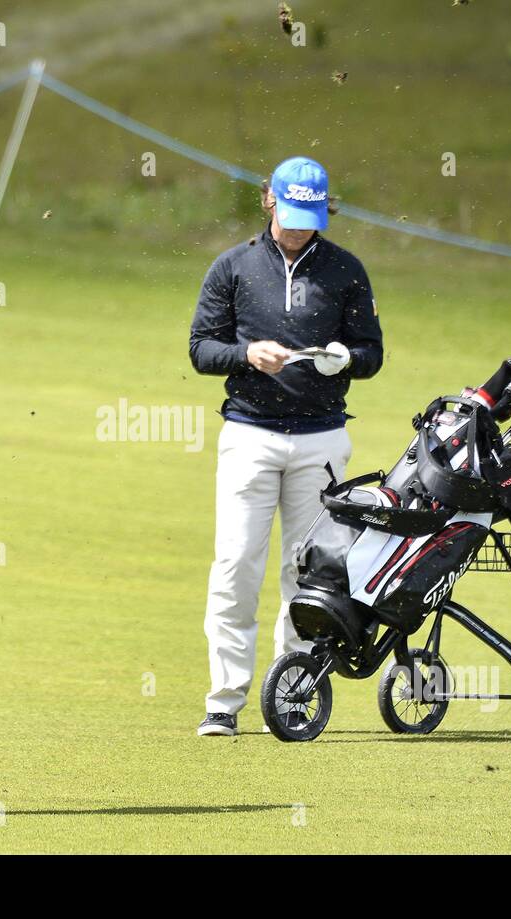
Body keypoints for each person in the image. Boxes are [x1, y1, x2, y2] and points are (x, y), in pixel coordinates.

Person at [188, 156, 384, 736]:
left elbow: (371, 352)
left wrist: (346, 358)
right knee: (235, 565)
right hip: (249, 434)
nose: (299, 228)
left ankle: (294, 689)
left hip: (322, 439)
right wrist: (248, 354)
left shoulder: (346, 272)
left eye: (311, 216)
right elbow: (201, 348)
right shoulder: (233, 267)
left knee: (309, 574)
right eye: (291, 213)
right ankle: (224, 701)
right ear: (269, 200)